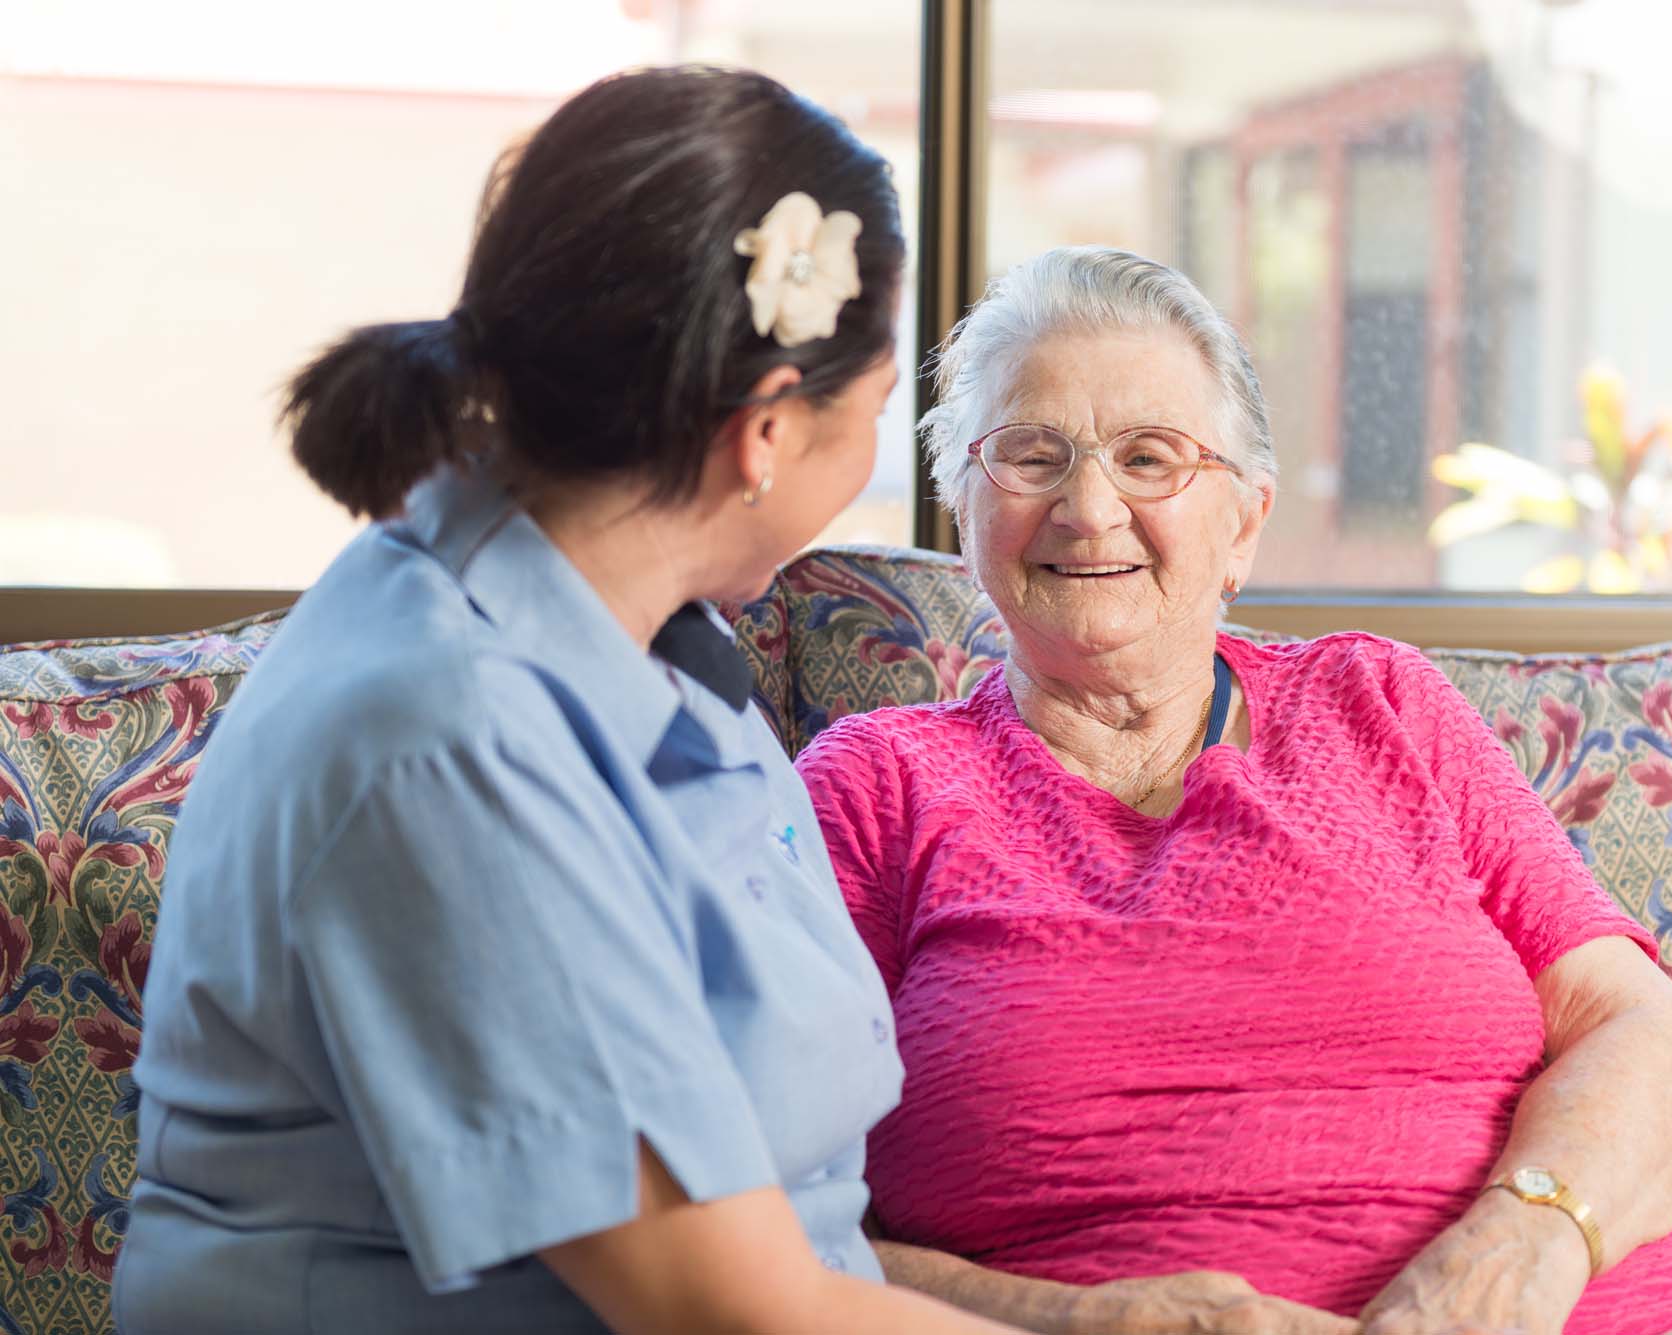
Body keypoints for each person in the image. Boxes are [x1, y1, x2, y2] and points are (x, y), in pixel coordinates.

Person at [117, 66, 1025, 1335]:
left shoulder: (647, 641)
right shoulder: (443, 735)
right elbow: (731, 1311)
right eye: (873, 408)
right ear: (763, 432)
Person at [796, 246, 1672, 1335]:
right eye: (1030, 456)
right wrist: (1086, 1321)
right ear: (961, 507)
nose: (1088, 507)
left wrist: (1522, 1244)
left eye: (1149, 459)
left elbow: (1630, 1023)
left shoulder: (1378, 704)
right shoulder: (873, 789)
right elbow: (754, 1216)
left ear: (1244, 522)